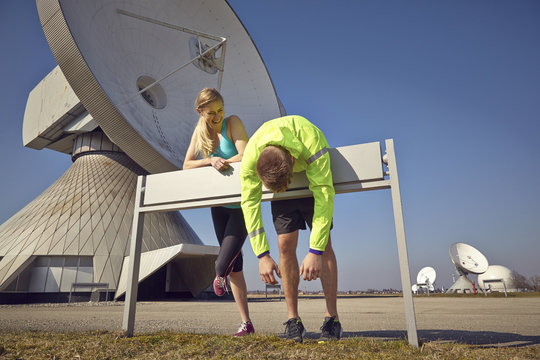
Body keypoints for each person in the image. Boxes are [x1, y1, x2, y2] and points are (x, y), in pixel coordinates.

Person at [240, 115, 341, 343]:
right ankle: (293, 319)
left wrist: (315, 251)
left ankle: (332, 318)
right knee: (284, 245)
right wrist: (262, 255)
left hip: (312, 179)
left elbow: (324, 195)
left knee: (325, 245)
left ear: (292, 162)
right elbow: (250, 204)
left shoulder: (311, 141)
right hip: (283, 181)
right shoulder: (251, 158)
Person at [184, 88, 254, 336]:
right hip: (219, 206)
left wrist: (222, 161)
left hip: (242, 205)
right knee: (235, 268)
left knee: (222, 265)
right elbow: (187, 165)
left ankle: (219, 275)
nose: (217, 116)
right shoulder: (200, 133)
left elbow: (245, 155)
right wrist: (209, 160)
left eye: (220, 110)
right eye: (211, 112)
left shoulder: (232, 122)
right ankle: (246, 323)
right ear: (200, 112)